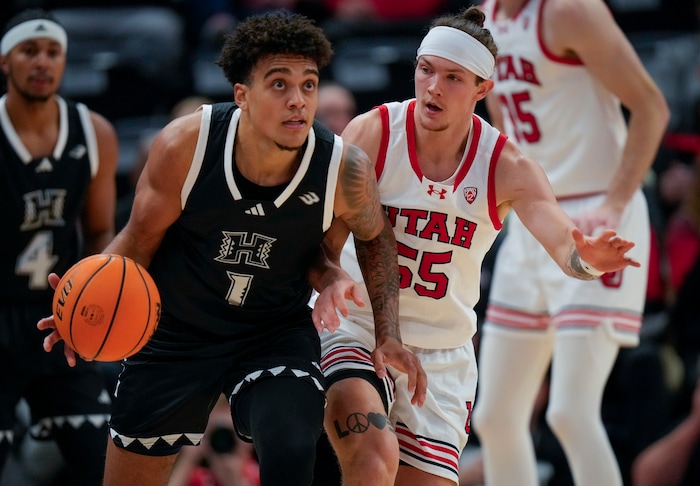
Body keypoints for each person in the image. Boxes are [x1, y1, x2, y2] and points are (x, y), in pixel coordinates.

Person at [38, 11, 425, 486]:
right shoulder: (187, 144)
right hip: (176, 329)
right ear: (241, 95)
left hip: (272, 331)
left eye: (308, 85)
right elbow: (136, 241)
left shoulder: (342, 168)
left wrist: (379, 323)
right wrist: (84, 299)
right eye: (279, 85)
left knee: (291, 445)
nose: (298, 101)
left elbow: (374, 235)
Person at [311, 6, 643, 486]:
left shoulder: (508, 166)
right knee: (370, 456)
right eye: (426, 71)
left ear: (482, 89)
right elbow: (325, 243)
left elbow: (562, 243)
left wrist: (587, 260)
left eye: (453, 78)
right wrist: (331, 280)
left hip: (441, 355)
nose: (433, 88)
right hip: (358, 328)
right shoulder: (375, 132)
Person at [472, 1, 670, 485]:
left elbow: (651, 106)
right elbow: (504, 128)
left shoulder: (570, 10)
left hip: (597, 215)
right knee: (495, 417)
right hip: (534, 220)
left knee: (570, 413)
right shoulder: (483, 18)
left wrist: (618, 200)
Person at [0, 8, 118, 485]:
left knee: (106, 465)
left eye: (53, 53)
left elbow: (98, 233)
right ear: (5, 61)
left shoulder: (95, 133)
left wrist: (93, 299)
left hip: (59, 320)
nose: (43, 62)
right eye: (30, 51)